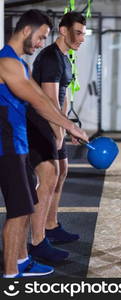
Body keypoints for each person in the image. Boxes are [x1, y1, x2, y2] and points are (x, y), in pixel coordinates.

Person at [0, 9, 88, 278]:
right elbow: (39, 101)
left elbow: (41, 97)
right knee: (18, 212)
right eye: (40, 37)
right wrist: (70, 126)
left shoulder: (21, 64)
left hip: (19, 145)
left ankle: (23, 259)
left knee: (26, 207)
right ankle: (12, 274)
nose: (40, 44)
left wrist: (65, 124)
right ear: (27, 30)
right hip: (7, 147)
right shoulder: (7, 63)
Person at [26, 11, 87, 263]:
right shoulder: (50, 57)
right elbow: (49, 101)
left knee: (62, 171)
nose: (82, 38)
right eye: (78, 32)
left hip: (53, 124)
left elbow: (63, 98)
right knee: (48, 178)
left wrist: (67, 125)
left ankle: (51, 225)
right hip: (38, 125)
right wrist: (61, 132)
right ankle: (37, 241)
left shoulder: (66, 58)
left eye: (84, 33)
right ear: (63, 30)